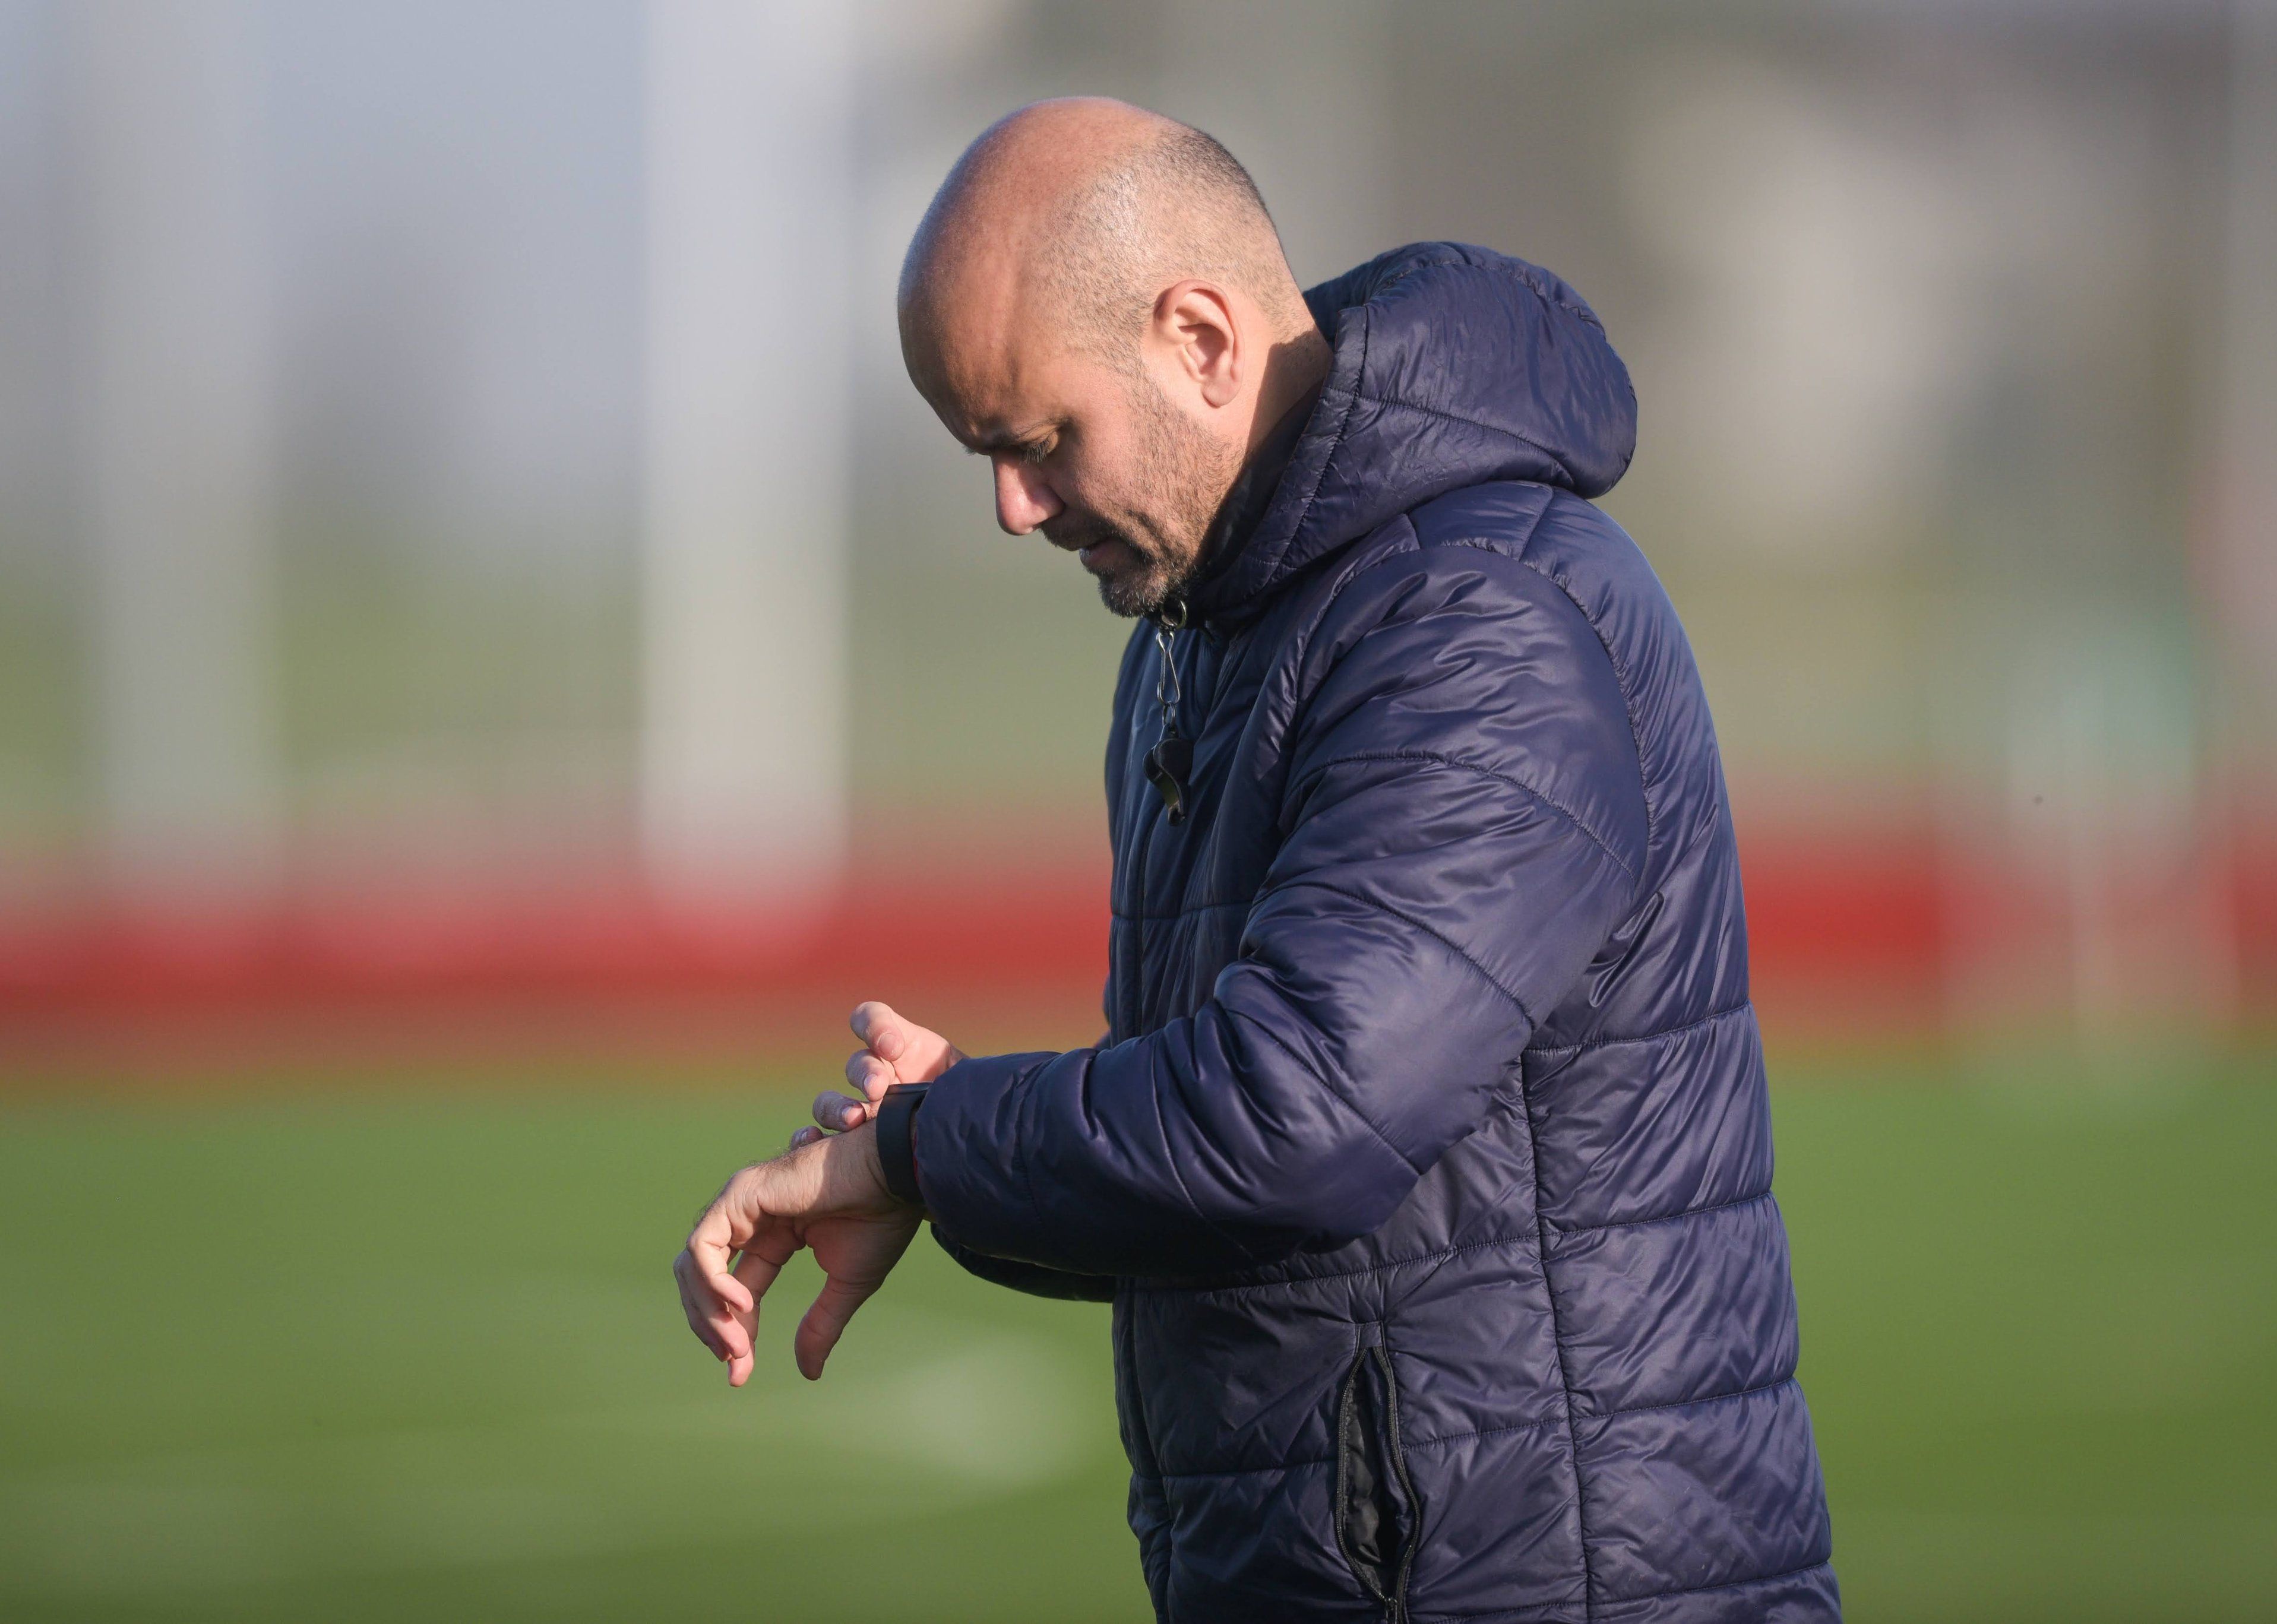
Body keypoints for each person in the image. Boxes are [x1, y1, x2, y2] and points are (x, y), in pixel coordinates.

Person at [672, 97, 1838, 1623]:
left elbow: (1297, 1119)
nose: (1011, 508)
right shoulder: (1202, 639)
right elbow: (1264, 1194)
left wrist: (929, 1143)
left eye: (1038, 441)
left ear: (1202, 341)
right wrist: (952, 1161)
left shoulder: (1472, 623)